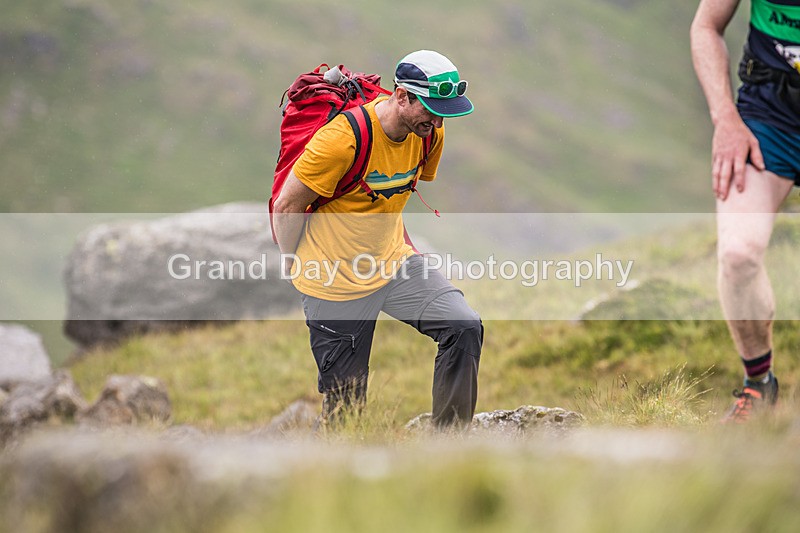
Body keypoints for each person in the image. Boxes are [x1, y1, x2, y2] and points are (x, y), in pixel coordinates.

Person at [272, 50, 483, 429]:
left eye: (444, 113)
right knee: (346, 414)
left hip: (393, 264)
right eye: (431, 109)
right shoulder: (341, 140)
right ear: (402, 96)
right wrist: (292, 260)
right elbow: (287, 205)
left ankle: (450, 443)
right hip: (334, 283)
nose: (438, 121)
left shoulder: (428, 134)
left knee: (463, 326)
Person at [691, 0, 800, 422]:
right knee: (738, 255)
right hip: (769, 116)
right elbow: (706, 26)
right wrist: (726, 120)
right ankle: (759, 386)